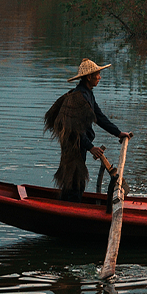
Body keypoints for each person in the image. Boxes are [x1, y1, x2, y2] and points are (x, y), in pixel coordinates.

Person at [43, 57, 132, 197]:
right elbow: (74, 130)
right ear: (89, 77)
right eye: (97, 74)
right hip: (73, 148)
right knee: (74, 183)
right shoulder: (78, 98)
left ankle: (71, 208)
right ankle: (70, 210)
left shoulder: (88, 94)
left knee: (77, 183)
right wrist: (91, 147)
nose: (99, 77)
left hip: (81, 146)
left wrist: (118, 133)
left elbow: (99, 117)